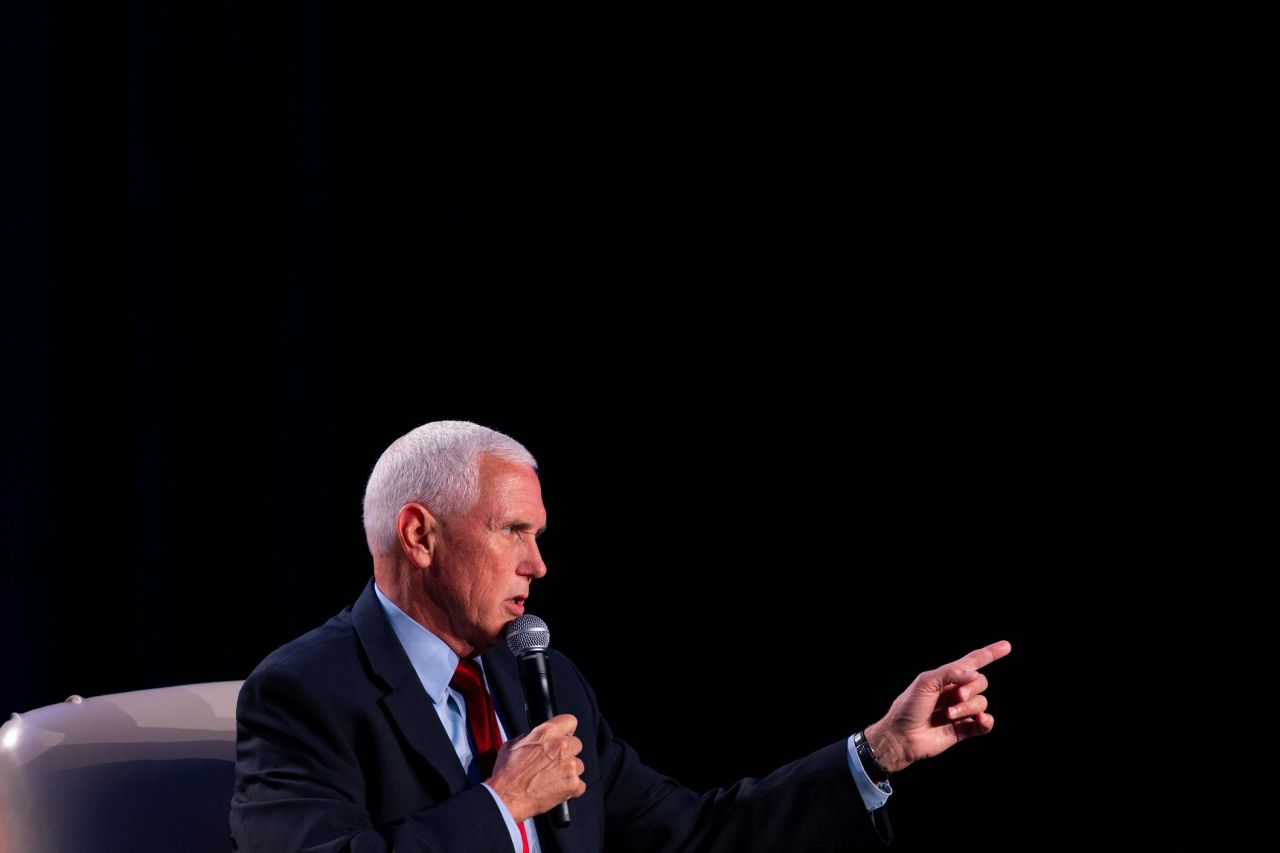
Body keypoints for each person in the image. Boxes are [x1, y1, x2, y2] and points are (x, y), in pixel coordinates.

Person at [230, 420, 1011, 852]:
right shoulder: (304, 691)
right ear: (420, 534)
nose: (538, 562)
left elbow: (693, 834)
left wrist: (879, 751)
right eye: (513, 531)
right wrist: (503, 806)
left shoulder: (543, 678)